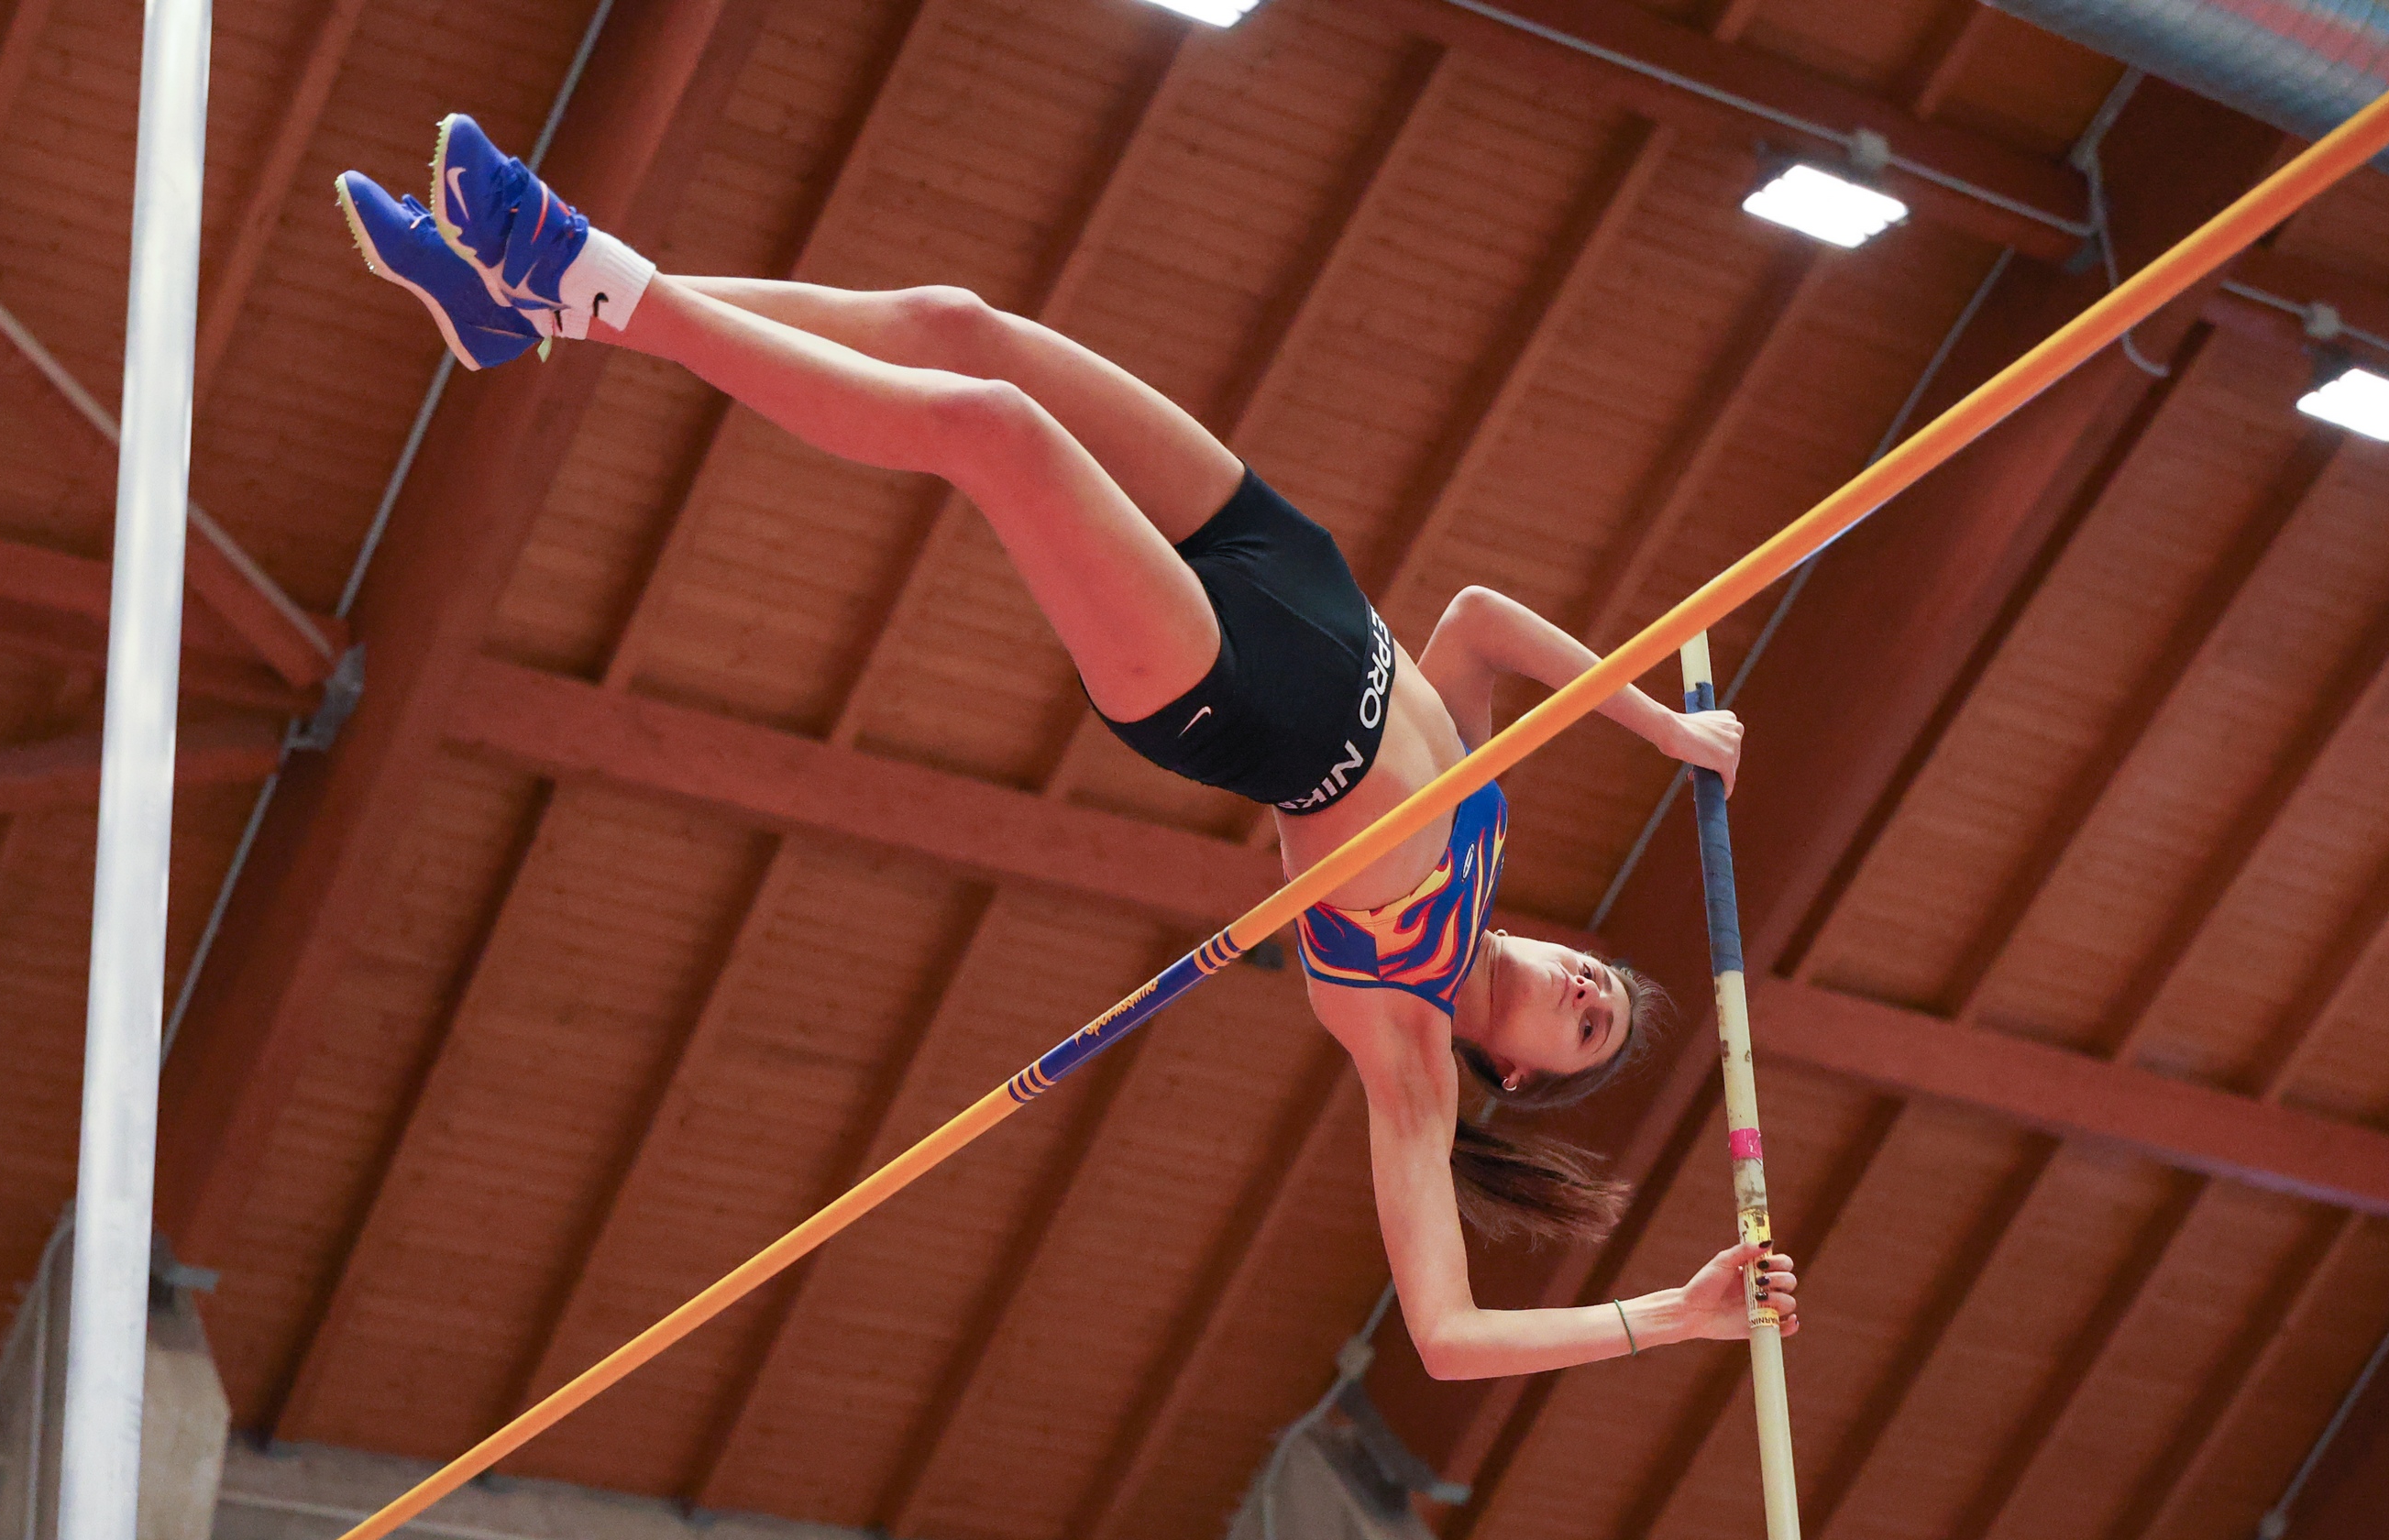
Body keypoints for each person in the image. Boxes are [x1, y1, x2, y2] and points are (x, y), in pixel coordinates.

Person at [331, 119, 1800, 1380]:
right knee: (959, 325)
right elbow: (1475, 622)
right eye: (1603, 979)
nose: (1586, 990)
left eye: (1588, 1028)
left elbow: (1446, 1335)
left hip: (1226, 690)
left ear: (1517, 1077)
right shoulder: (1487, 819)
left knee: (993, 431)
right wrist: (1666, 728)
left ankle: (581, 276)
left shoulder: (1400, 1035)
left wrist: (1673, 1318)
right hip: (1283, 558)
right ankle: (538, 312)